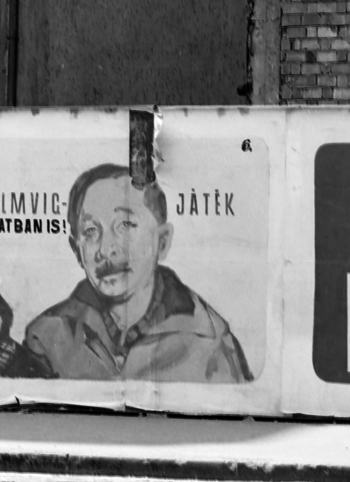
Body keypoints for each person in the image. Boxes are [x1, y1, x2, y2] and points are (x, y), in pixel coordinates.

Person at [24, 163, 252, 382]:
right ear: (77, 251)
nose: (105, 249)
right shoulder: (46, 336)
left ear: (162, 242)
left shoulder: (211, 341)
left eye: (125, 225)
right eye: (91, 231)